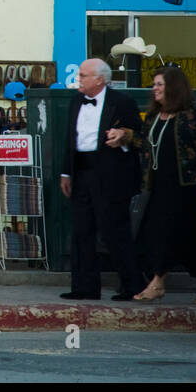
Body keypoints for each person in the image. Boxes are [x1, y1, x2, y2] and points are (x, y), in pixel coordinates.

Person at [133, 67, 196, 304]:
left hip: (186, 184)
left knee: (167, 231)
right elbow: (145, 144)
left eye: (160, 85)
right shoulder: (155, 116)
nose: (155, 89)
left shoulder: (194, 113)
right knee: (190, 236)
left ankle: (157, 283)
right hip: (159, 183)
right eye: (154, 85)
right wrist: (126, 136)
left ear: (173, 87)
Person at [59, 58, 144, 301]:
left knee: (114, 230)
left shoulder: (122, 102)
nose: (79, 79)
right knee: (81, 229)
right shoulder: (76, 101)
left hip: (111, 173)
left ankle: (131, 285)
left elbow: (139, 135)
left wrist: (123, 136)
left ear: (99, 79)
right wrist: (66, 172)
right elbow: (70, 139)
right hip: (82, 171)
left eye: (83, 75)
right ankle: (84, 286)